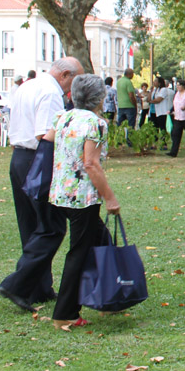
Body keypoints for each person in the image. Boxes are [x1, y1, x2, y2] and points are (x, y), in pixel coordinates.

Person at [0, 57, 83, 311]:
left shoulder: (28, 85)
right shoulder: (50, 92)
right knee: (51, 226)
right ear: (65, 75)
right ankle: (17, 284)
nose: (74, 87)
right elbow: (45, 134)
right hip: (38, 160)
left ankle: (39, 288)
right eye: (75, 80)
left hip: (19, 158)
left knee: (30, 225)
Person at [41, 73, 120, 330]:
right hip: (82, 198)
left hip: (60, 193)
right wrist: (110, 198)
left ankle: (109, 298)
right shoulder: (95, 123)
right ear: (99, 98)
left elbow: (48, 140)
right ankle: (65, 313)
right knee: (79, 253)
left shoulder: (63, 117)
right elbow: (91, 163)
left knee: (102, 241)